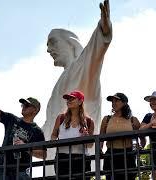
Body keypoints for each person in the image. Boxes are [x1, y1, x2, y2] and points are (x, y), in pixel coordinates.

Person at [42, 0, 112, 145]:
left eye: (53, 42)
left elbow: (94, 52)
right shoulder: (65, 77)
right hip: (56, 158)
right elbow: (49, 127)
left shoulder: (81, 70)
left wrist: (103, 31)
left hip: (81, 157)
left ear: (70, 43)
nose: (49, 50)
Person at [100, 93, 145, 180]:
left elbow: (142, 137)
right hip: (111, 155)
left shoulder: (133, 120)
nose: (113, 103)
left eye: (116, 100)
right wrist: (100, 149)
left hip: (128, 154)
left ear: (124, 103)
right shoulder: (106, 119)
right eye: (112, 101)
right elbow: (101, 138)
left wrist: (141, 146)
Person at [51, 90, 94, 179]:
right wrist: (54, 141)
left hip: (81, 158)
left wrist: (87, 138)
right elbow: (54, 135)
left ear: (80, 101)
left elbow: (90, 145)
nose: (69, 101)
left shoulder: (89, 121)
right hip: (62, 157)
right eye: (68, 99)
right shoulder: (61, 117)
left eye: (72, 98)